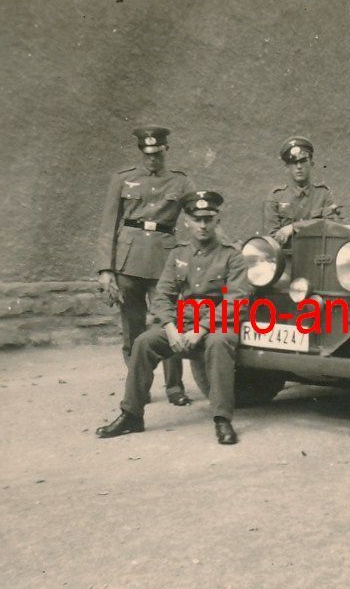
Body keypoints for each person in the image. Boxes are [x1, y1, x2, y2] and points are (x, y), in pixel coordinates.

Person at [95, 190, 249, 445]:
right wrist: (170, 328)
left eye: (208, 219)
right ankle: (131, 414)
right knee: (143, 343)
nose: (202, 225)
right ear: (186, 221)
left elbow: (237, 301)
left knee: (219, 343)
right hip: (182, 325)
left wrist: (200, 328)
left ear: (217, 221)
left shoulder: (232, 256)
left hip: (217, 325)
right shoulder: (178, 254)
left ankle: (222, 419)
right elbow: (162, 296)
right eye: (196, 219)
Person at [95, 125, 192, 406]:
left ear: (166, 151)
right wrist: (105, 269)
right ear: (141, 152)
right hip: (128, 263)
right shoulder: (123, 179)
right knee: (133, 328)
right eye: (147, 154)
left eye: (158, 154)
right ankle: (140, 387)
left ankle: (175, 387)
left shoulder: (180, 182)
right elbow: (107, 227)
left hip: (164, 261)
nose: (152, 159)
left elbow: (200, 214)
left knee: (169, 322)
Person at [263, 136, 342, 244]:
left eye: (303, 161)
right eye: (294, 162)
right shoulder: (276, 196)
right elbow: (271, 238)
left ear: (311, 163)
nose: (299, 167)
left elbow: (332, 226)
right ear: (287, 167)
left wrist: (294, 227)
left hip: (318, 257)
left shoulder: (323, 194)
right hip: (287, 258)